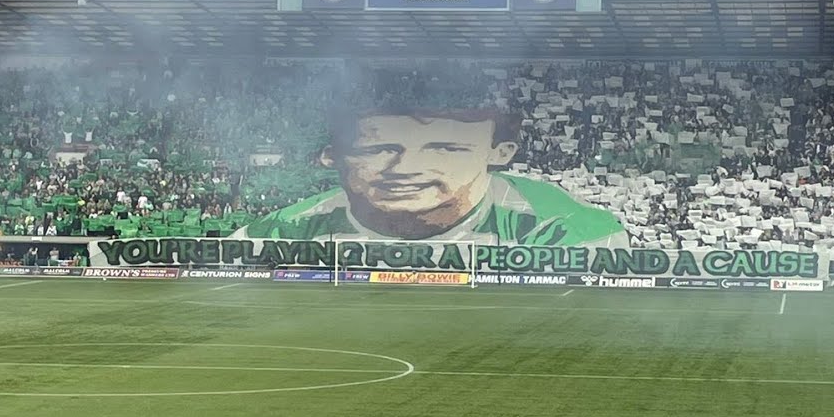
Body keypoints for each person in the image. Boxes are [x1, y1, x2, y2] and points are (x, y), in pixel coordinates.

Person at [235, 103, 630, 247]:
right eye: (377, 150)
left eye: (445, 148)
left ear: (500, 154)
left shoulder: (571, 228)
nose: (404, 169)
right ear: (331, 157)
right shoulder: (279, 231)